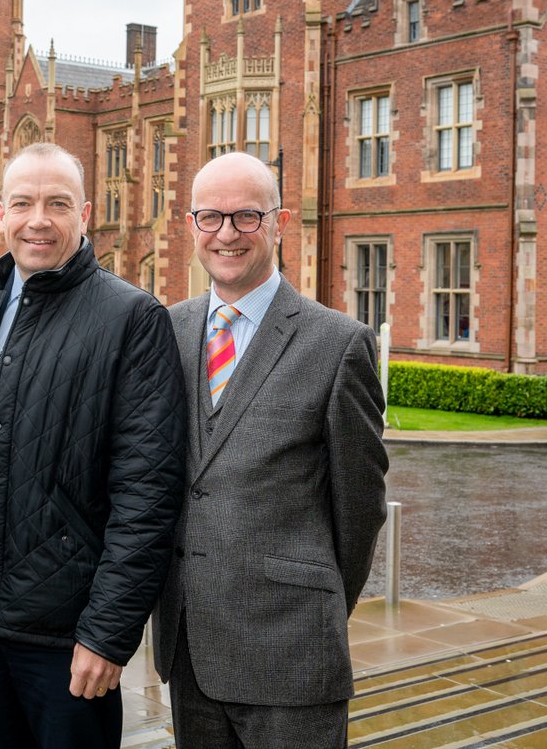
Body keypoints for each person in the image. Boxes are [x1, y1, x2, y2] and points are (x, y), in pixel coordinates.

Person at [0, 142, 186, 749]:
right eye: (24, 203)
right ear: (0, 212)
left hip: (67, 638)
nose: (39, 219)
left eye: (57, 203)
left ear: (84, 213)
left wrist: (109, 635)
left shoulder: (132, 318)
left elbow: (147, 495)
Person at [154, 151, 388, 748]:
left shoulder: (338, 344)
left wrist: (314, 606)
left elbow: (359, 510)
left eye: (246, 217)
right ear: (191, 226)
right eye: (211, 217)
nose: (227, 234)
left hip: (292, 656)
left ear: (280, 223)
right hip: (189, 650)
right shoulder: (166, 332)